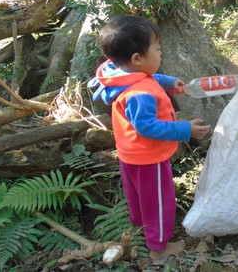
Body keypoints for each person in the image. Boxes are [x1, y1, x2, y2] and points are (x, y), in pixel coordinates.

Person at [89, 15, 211, 259]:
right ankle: (159, 248)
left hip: (129, 154)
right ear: (137, 58)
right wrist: (184, 130)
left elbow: (145, 76)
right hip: (148, 158)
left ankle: (141, 229)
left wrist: (167, 82)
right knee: (159, 201)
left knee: (139, 196)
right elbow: (147, 127)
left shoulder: (119, 74)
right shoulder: (139, 95)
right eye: (156, 48)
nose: (160, 52)